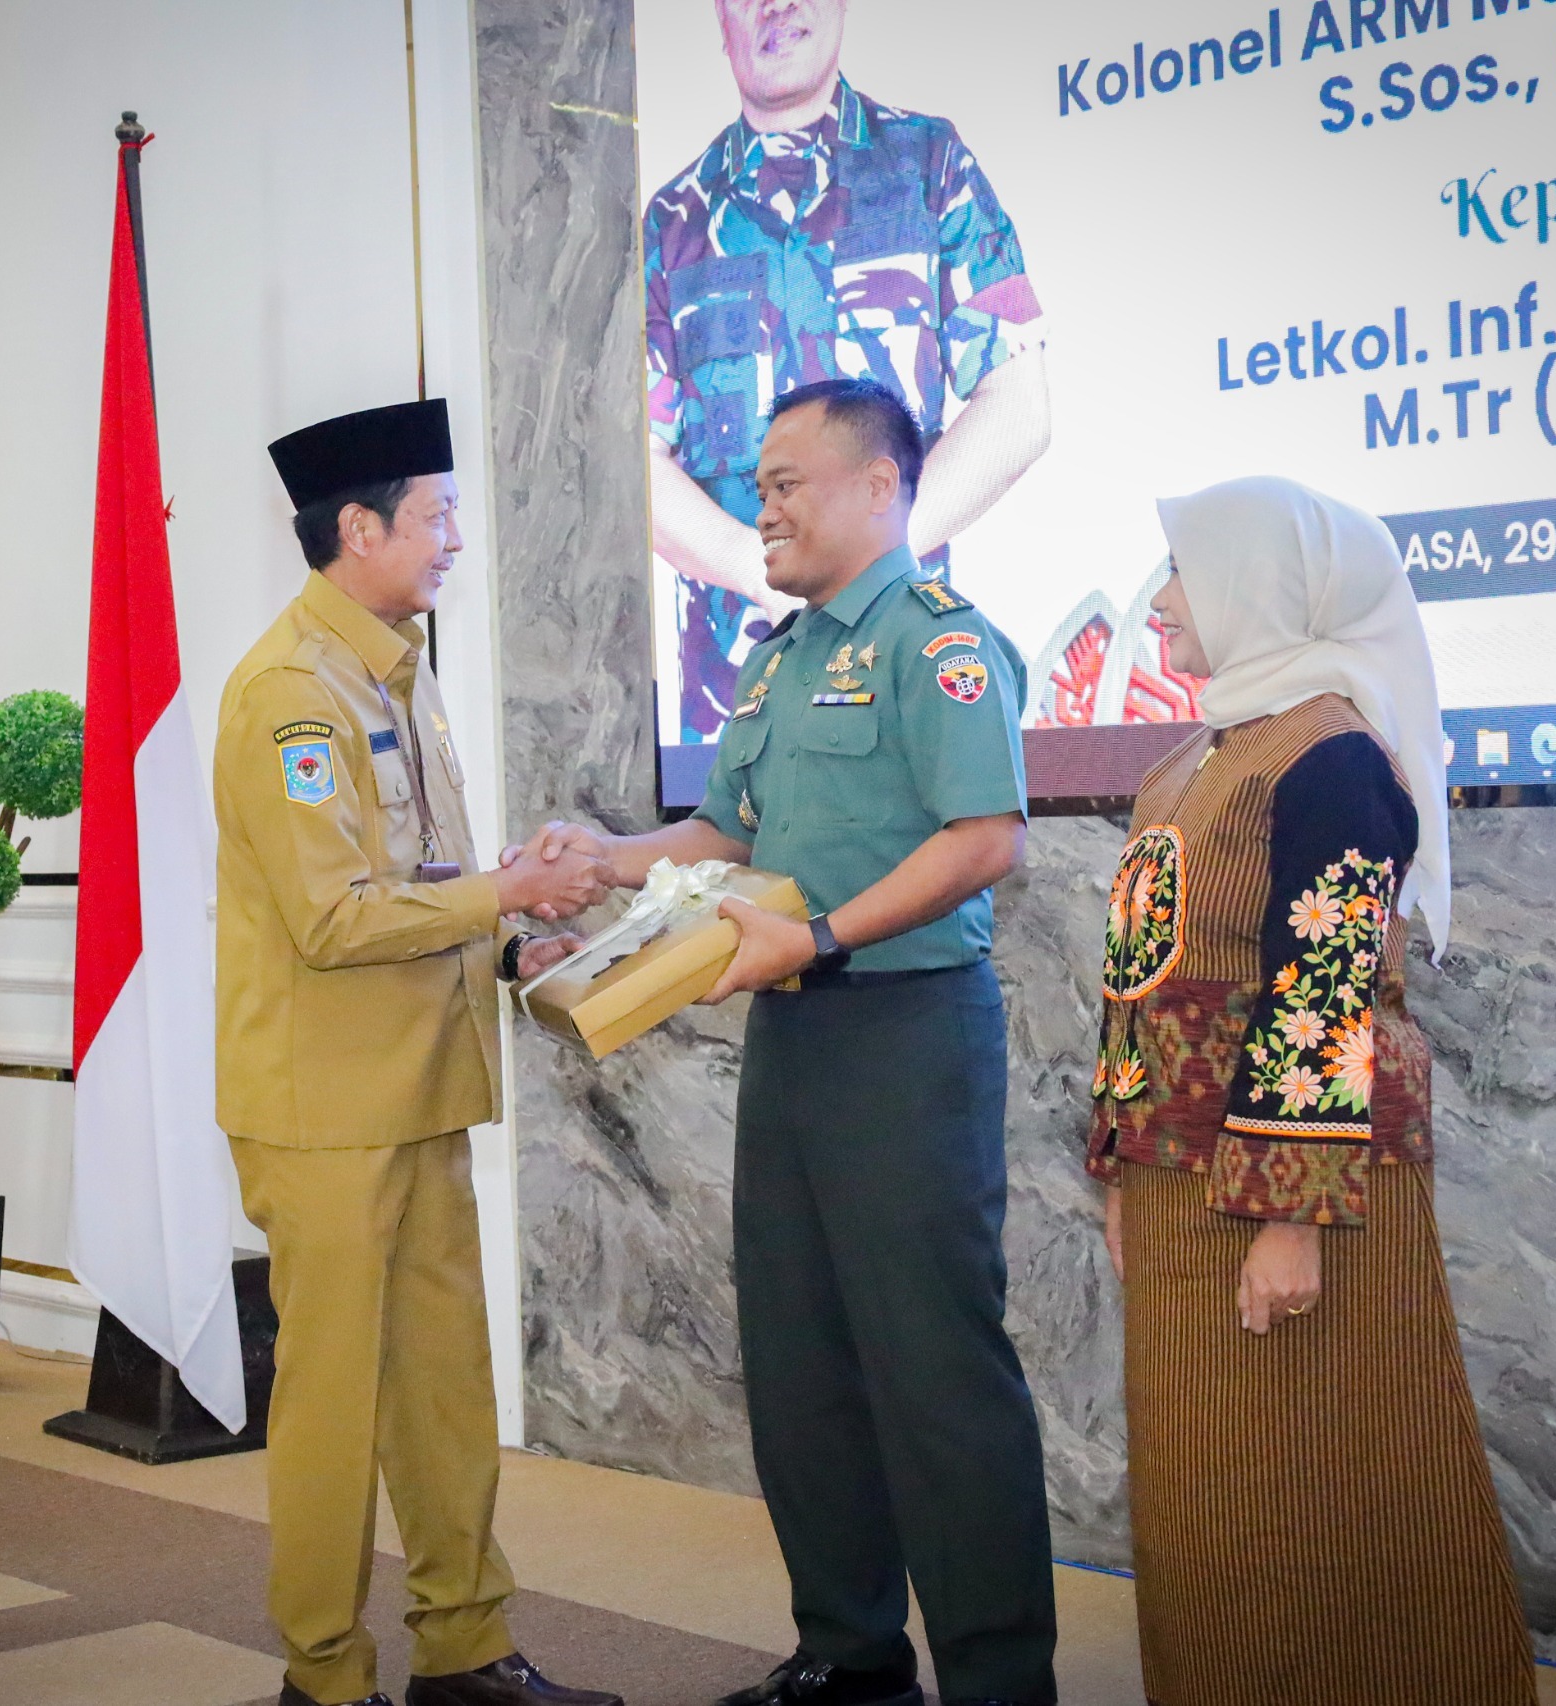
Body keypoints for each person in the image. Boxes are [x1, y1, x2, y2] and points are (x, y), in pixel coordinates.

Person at [518, 378, 1058, 1706]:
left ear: (879, 486)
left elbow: (984, 839)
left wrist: (818, 935)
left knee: (935, 1370)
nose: (760, 507)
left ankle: (998, 1680)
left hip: (908, 1034)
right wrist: (609, 856)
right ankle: (851, 1656)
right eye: (756, 486)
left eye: (785, 483)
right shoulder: (776, 656)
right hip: (797, 1033)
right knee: (802, 1360)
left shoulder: (942, 643)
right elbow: (729, 831)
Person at [1087, 477, 1535, 1705]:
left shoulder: (1331, 755)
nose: (1159, 603)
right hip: (1180, 1187)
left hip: (1298, 1201)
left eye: (1181, 573)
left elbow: (1323, 988)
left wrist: (1288, 1215)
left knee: (1323, 1494)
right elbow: (1138, 978)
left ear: (1257, 586)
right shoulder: (1192, 757)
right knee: (1204, 1506)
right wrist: (1119, 1167)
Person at [215, 399, 619, 1706]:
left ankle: (465, 1649)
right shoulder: (290, 695)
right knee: (334, 1405)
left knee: (444, 1388)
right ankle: (325, 1674)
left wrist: (511, 939)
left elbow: (423, 881)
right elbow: (334, 919)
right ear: (359, 526)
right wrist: (507, 892)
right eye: (435, 515)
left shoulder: (397, 670)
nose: (452, 539)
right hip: (326, 1112)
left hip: (424, 1087)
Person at [646, 0, 1050, 742]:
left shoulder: (931, 165)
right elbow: (635, 463)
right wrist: (765, 568)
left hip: (904, 685)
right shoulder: (671, 223)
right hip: (738, 709)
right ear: (720, 18)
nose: (778, 6)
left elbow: (1020, 403)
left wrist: (873, 557)